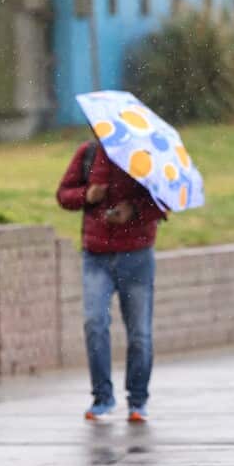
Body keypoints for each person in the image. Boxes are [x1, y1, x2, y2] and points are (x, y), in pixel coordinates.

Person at [57, 140, 166, 423]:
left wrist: (134, 210)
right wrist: (87, 195)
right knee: (95, 323)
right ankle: (102, 398)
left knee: (140, 333)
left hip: (137, 257)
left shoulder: (147, 157)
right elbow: (63, 195)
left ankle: (138, 401)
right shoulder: (89, 154)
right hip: (97, 257)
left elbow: (164, 202)